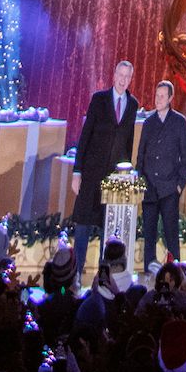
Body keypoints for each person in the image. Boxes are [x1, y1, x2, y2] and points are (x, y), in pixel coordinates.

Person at [70, 57, 138, 278]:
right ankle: (77, 274)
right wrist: (77, 171)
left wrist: (125, 176)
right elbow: (85, 135)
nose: (123, 80)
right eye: (121, 75)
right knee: (83, 226)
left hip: (114, 180)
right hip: (91, 174)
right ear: (114, 76)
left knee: (108, 230)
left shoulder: (133, 104)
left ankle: (103, 278)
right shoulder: (99, 100)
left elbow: (128, 143)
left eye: (127, 77)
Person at [135, 77, 186, 271]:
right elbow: (140, 154)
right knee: (149, 233)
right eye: (156, 96)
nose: (158, 99)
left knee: (171, 233)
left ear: (170, 98)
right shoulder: (149, 122)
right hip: (149, 188)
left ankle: (175, 271)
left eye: (162, 96)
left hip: (169, 189)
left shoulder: (179, 122)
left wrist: (179, 185)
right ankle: (149, 269)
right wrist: (141, 181)